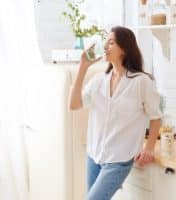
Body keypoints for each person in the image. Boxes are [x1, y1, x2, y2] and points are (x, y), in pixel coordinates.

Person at [69, 26, 161, 200]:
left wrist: (149, 147)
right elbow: (73, 105)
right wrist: (82, 67)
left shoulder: (141, 81)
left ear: (124, 49)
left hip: (118, 160)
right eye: (106, 42)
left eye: (111, 42)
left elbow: (156, 117)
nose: (105, 46)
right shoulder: (98, 81)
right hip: (94, 157)